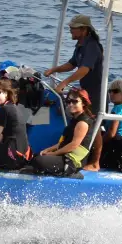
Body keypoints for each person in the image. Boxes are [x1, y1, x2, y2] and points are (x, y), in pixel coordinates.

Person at [43, 15, 105, 171]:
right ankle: (66, 150)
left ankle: (95, 163)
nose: (70, 30)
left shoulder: (92, 46)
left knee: (94, 125)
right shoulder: (80, 45)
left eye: (74, 27)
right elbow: (73, 64)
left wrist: (65, 82)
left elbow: (84, 69)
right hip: (85, 91)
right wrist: (54, 70)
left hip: (95, 94)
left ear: (84, 29)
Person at [28, 89, 95, 176]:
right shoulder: (74, 119)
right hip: (65, 155)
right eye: (69, 101)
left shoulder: (82, 122)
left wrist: (53, 154)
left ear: (83, 103)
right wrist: (47, 150)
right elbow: (64, 142)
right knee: (36, 156)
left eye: (75, 101)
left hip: (72, 161)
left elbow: (73, 145)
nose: (71, 104)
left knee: (38, 161)